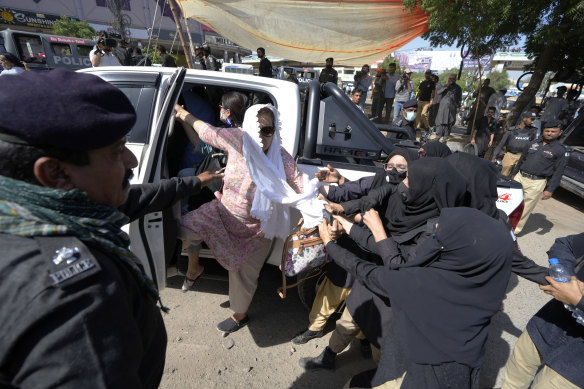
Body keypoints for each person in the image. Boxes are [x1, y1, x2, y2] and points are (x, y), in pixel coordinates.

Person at [0, 69, 222, 388]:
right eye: (117, 150)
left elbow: (132, 199)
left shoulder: (33, 207)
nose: (132, 161)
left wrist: (196, 181)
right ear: (54, 173)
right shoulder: (77, 298)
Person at [320, 206, 512, 388]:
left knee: (358, 382)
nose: (435, 226)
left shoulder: (427, 281)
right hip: (448, 369)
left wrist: (330, 244)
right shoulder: (479, 282)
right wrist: (349, 224)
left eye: (441, 228)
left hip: (421, 373)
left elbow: (371, 271)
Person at [175, 103, 321, 333]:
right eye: (257, 129)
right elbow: (207, 131)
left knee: (244, 277)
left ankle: (239, 316)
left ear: (275, 130)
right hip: (221, 215)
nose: (262, 137)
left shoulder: (281, 158)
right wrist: (183, 114)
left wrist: (333, 195)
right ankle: (194, 267)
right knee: (180, 229)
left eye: (268, 131)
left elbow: (303, 185)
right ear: (246, 129)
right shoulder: (237, 140)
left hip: (256, 230)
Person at [298, 148, 418, 366]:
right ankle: (315, 328)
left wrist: (352, 218)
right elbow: (352, 192)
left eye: (402, 168)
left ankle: (363, 341)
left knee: (367, 307)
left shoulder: (416, 199)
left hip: (381, 260)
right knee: (335, 289)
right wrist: (338, 183)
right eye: (390, 166)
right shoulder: (377, 181)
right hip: (354, 248)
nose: (395, 172)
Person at [502, 233, 584, 389]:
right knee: (515, 375)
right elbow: (565, 243)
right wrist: (566, 277)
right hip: (550, 323)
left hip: (578, 361)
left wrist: (578, 300)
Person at [511, 120, 568, 234]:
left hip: (537, 182)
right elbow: (522, 159)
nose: (549, 133)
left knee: (525, 208)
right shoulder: (533, 143)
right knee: (510, 202)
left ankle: (513, 231)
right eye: (547, 130)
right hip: (520, 177)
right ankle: (500, 224)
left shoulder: (560, 150)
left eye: (553, 131)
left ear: (560, 132)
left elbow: (558, 172)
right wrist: (513, 174)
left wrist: (550, 189)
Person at [492, 111, 538, 176]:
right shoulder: (512, 130)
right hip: (510, 156)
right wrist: (494, 157)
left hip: (522, 157)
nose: (532, 122)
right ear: (524, 118)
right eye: (531, 119)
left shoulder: (533, 131)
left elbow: (533, 146)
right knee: (503, 176)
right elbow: (501, 144)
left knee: (517, 178)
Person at [435, 73, 462, 143]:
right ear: (448, 79)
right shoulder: (444, 86)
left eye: (453, 79)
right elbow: (438, 92)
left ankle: (445, 137)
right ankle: (438, 136)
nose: (451, 80)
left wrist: (459, 106)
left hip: (452, 107)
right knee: (440, 121)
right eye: (450, 78)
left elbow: (459, 98)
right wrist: (446, 87)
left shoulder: (458, 88)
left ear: (455, 79)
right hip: (443, 107)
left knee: (449, 122)